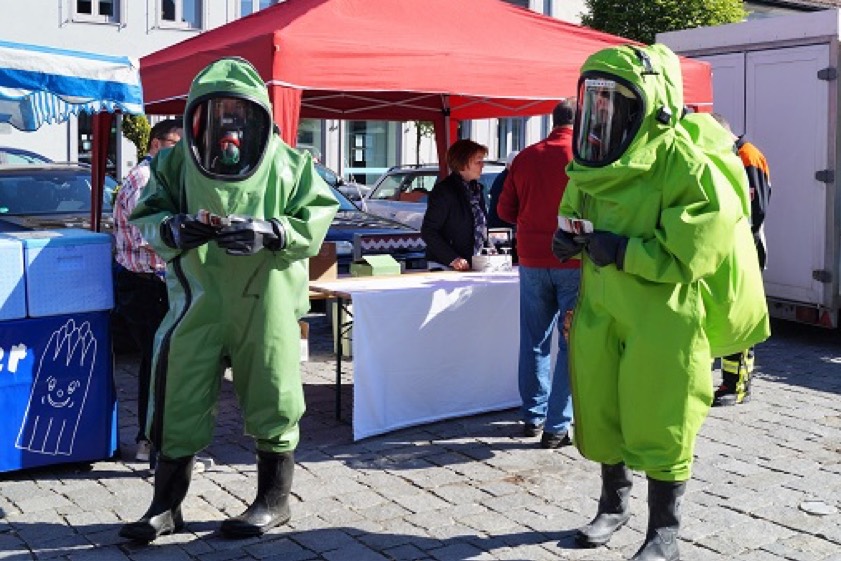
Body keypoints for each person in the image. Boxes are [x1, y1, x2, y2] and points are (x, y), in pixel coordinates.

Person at [552, 44, 769, 560]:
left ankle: (664, 532)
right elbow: (573, 202)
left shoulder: (684, 163)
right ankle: (613, 505)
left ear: (650, 103)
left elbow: (697, 248)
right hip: (602, 306)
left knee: (662, 415)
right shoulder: (593, 158)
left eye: (614, 100)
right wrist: (566, 236)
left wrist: (624, 251)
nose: (602, 112)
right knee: (602, 407)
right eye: (596, 99)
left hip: (664, 315)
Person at [119, 57, 339, 542]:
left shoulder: (290, 164)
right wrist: (172, 228)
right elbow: (148, 215)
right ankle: (166, 506)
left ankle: (273, 501)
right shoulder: (173, 164)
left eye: (238, 114)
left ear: (257, 115)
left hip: (266, 301)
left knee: (275, 391)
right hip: (197, 300)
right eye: (217, 114)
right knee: (178, 394)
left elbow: (318, 215)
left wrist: (275, 232)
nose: (229, 127)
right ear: (198, 115)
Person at [497, 100, 579, 449]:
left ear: (552, 121)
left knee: (533, 339)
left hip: (531, 259)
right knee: (572, 341)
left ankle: (533, 416)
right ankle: (557, 424)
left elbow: (504, 209)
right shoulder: (585, 158)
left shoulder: (526, 157)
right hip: (573, 261)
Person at [112, 118, 181, 463]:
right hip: (144, 284)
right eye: (174, 145)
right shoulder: (145, 178)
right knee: (157, 364)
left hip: (151, 282)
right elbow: (148, 238)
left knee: (158, 363)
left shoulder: (157, 176)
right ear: (156, 144)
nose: (180, 153)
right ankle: (151, 442)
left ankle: (150, 439)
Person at [710, 112, 771, 407]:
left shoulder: (748, 156)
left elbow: (756, 210)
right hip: (734, 247)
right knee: (730, 314)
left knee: (741, 318)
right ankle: (731, 382)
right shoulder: (735, 154)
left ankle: (739, 386)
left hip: (747, 247)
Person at [421, 139, 490, 271]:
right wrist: (453, 259)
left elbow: (481, 227)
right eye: (478, 162)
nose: (483, 165)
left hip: (473, 263)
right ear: (463, 164)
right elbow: (428, 231)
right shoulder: (444, 191)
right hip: (445, 266)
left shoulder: (477, 190)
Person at [486, 150, 518, 229]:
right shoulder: (504, 180)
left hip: (506, 224)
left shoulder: (511, 178)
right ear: (509, 165)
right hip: (500, 226)